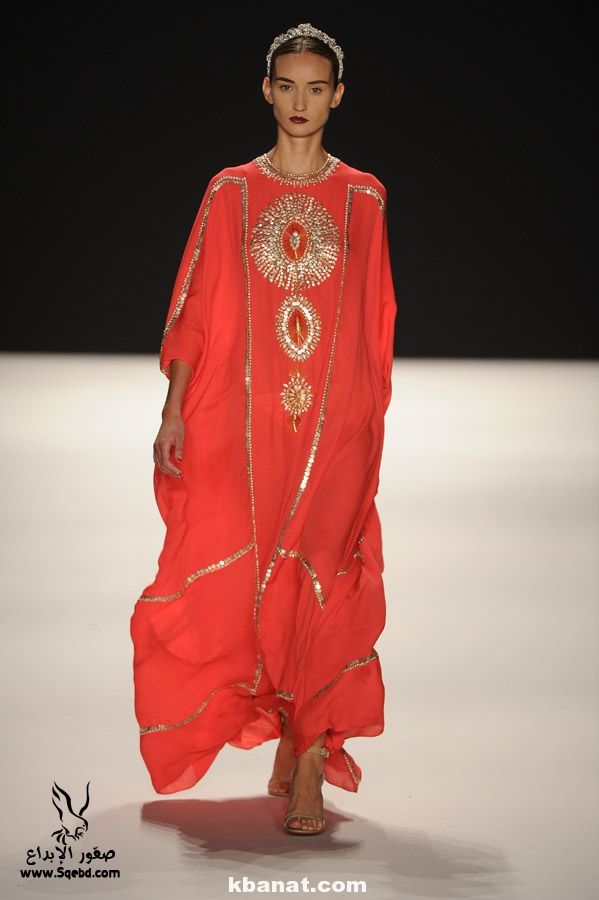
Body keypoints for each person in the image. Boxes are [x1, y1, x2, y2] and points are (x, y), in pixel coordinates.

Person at [129, 22, 397, 837]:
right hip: (244, 423)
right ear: (266, 90)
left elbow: (374, 320)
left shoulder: (363, 198)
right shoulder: (230, 192)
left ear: (337, 95)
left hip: (336, 420)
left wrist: (365, 422)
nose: (299, 102)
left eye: (315, 87)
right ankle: (288, 726)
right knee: (257, 576)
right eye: (287, 86)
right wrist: (174, 408)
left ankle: (309, 757)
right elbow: (195, 307)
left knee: (324, 572)